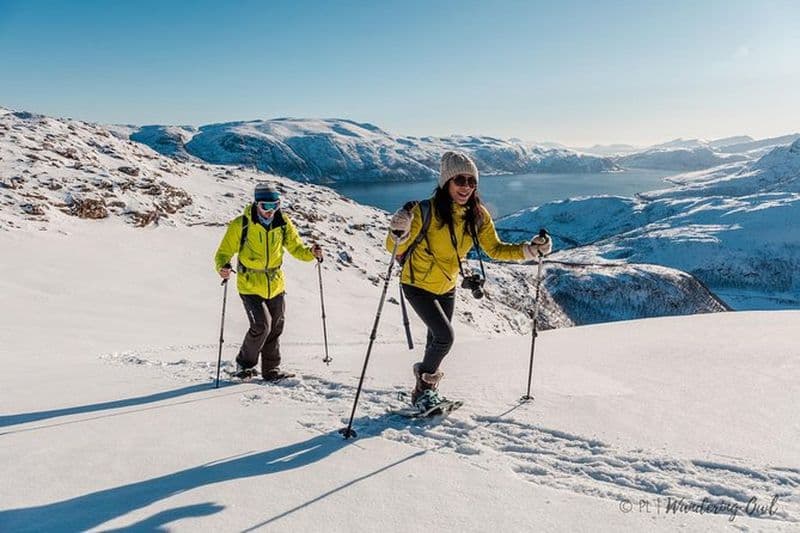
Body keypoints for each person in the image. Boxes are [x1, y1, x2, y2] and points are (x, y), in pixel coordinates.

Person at [386, 151, 551, 411]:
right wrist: (399, 230)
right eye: (459, 180)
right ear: (446, 183)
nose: (466, 187)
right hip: (416, 284)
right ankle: (423, 390)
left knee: (435, 340)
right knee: (445, 338)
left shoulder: (478, 215)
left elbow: (495, 249)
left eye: (471, 181)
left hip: (447, 285)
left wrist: (531, 250)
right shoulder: (423, 211)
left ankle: (425, 395)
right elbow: (393, 247)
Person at [214, 182, 323, 380]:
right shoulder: (242, 224)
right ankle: (244, 364)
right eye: (266, 206)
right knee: (261, 326)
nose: (270, 211)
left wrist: (311, 254)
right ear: (257, 204)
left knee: (276, 327)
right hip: (249, 284)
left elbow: (296, 248)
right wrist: (223, 267)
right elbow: (223, 252)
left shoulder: (282, 223)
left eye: (275, 206)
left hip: (275, 283)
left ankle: (271, 370)